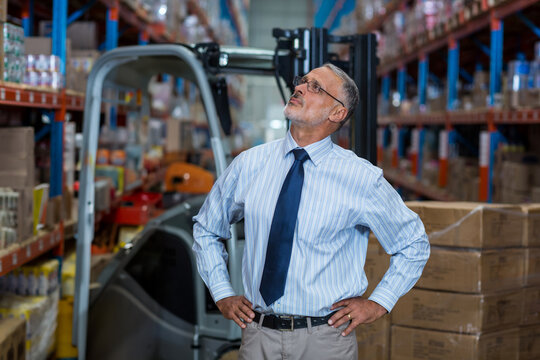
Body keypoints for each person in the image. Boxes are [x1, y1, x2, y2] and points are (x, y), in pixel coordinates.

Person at [192, 63, 430, 360]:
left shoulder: (361, 178)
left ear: (337, 113)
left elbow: (413, 244)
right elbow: (206, 228)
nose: (301, 88)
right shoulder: (249, 165)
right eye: (302, 81)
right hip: (257, 335)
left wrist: (379, 302)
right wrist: (222, 292)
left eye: (316, 86)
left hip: (325, 341)